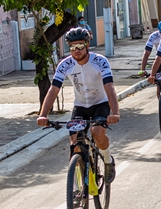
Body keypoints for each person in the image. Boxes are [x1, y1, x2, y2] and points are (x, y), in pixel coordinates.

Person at [37, 26, 119, 183]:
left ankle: (108, 161)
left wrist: (115, 113)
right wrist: (43, 115)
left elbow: (109, 87)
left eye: (80, 45)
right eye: (73, 47)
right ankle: (76, 186)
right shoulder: (65, 64)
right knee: (74, 143)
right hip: (80, 107)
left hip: (100, 104)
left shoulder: (100, 61)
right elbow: (53, 90)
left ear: (87, 45)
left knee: (97, 132)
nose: (76, 50)